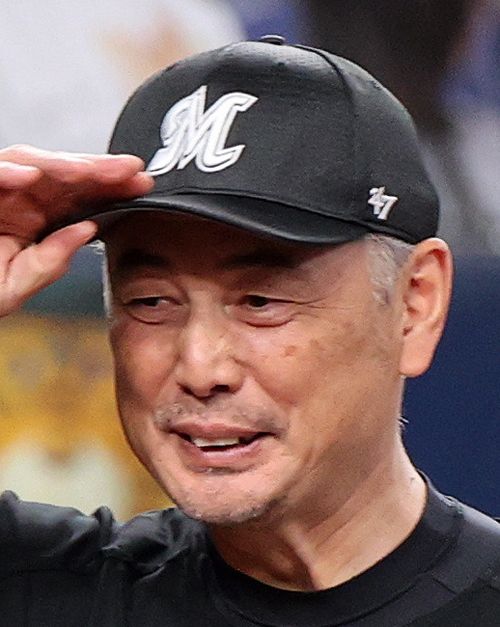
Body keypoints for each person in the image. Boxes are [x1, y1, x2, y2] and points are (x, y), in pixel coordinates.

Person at [0, 37, 499, 626]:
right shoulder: (40, 595)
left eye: (260, 301)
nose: (200, 367)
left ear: (415, 304)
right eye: (151, 301)